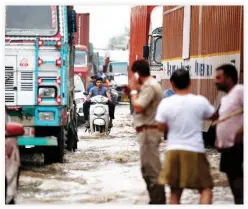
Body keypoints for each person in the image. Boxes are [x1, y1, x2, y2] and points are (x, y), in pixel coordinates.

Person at [156, 69, 215, 204]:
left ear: (172, 83)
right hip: (195, 150)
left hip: (173, 151)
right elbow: (213, 116)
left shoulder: (166, 103)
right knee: (206, 189)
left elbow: (160, 127)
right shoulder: (200, 101)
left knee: (175, 193)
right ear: (190, 83)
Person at [129, 59, 166, 204]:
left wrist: (133, 91)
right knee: (146, 170)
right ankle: (155, 201)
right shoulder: (147, 86)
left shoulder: (150, 86)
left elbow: (138, 107)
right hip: (146, 132)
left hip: (149, 133)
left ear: (137, 74)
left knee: (152, 171)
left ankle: (159, 202)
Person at [214, 64, 243, 204]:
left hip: (238, 148)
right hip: (227, 149)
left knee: (241, 188)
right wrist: (220, 141)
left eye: (219, 78)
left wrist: (241, 131)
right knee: (235, 190)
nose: (216, 81)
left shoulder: (240, 91)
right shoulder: (225, 98)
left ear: (229, 78)